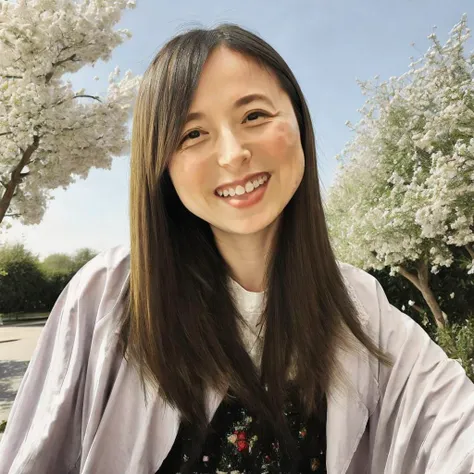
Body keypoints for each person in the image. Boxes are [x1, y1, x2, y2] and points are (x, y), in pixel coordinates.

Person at [1, 23, 473, 474]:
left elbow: (453, 423)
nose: (232, 154)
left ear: (299, 122)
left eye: (254, 115)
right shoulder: (108, 297)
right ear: (161, 165)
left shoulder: (359, 304)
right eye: (193, 134)